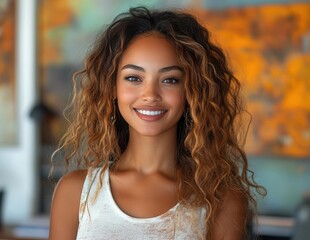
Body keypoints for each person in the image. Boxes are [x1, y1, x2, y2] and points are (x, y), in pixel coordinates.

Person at [49, 6, 265, 240]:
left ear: (193, 91)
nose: (150, 94)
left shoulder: (221, 199)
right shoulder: (76, 192)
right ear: (112, 87)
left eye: (170, 80)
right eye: (134, 78)